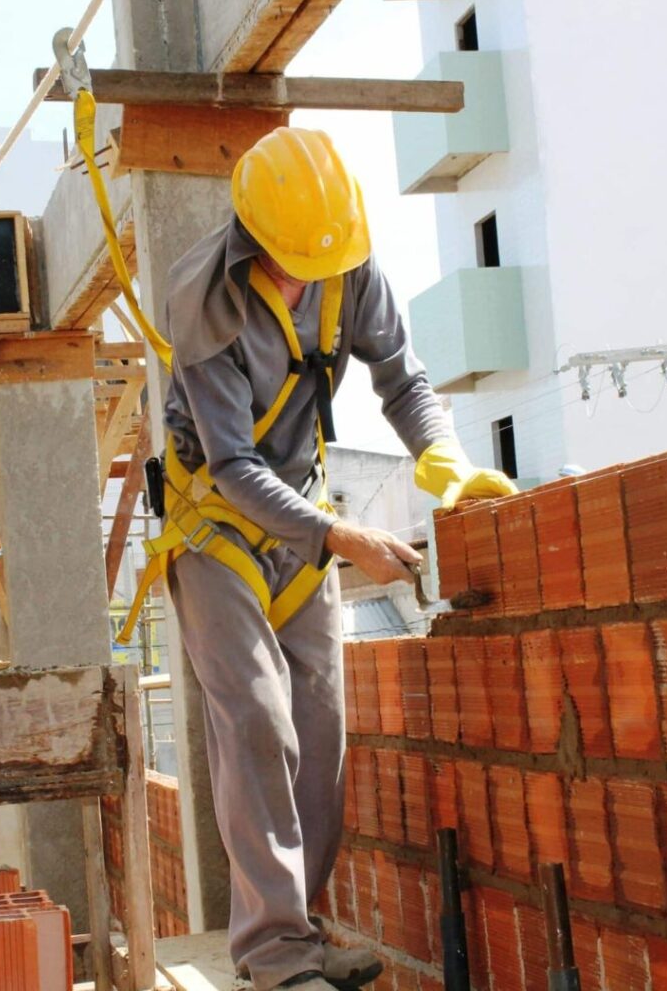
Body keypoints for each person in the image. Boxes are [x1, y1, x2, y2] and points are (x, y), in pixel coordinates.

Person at [157, 127, 517, 991]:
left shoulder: (348, 265)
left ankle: (302, 933)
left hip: (307, 516)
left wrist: (445, 465)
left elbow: (401, 376)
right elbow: (234, 466)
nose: (306, 280)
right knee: (256, 720)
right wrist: (341, 538)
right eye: (289, 265)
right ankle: (274, 956)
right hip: (219, 527)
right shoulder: (205, 297)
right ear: (254, 240)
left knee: (319, 735)